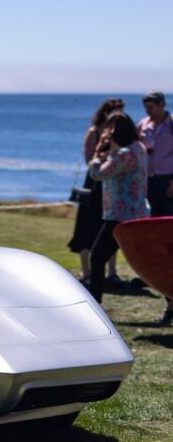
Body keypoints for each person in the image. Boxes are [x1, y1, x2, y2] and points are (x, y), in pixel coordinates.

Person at [88, 112, 149, 305]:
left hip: (119, 215)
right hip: (137, 212)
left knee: (97, 258)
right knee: (149, 261)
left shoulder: (125, 154)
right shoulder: (138, 148)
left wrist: (97, 154)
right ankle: (170, 302)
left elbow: (98, 173)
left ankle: (95, 304)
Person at [68, 98, 125, 287]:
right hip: (94, 182)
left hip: (111, 182)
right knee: (86, 226)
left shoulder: (119, 134)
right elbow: (88, 159)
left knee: (108, 227)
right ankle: (86, 271)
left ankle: (112, 272)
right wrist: (106, 155)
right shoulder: (94, 132)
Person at [137, 91, 173, 216]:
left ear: (162, 105)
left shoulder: (171, 123)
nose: (148, 111)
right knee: (151, 217)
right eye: (146, 108)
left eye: (151, 107)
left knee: (168, 218)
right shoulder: (143, 124)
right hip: (148, 179)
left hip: (168, 179)